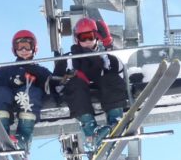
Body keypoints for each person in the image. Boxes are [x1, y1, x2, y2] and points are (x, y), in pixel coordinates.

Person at [54, 16, 127, 152]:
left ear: (97, 37)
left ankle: (115, 123)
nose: (87, 41)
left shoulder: (108, 59)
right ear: (77, 39)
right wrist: (68, 79)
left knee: (110, 78)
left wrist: (108, 45)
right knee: (75, 84)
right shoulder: (68, 61)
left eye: (91, 36)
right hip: (79, 94)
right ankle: (90, 132)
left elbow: (119, 78)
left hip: (105, 92)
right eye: (83, 37)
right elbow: (57, 84)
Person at [0, 29, 54, 152]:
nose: (23, 50)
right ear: (14, 49)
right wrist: (12, 81)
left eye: (27, 46)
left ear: (34, 48)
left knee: (29, 93)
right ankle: (2, 132)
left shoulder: (39, 70)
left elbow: (48, 82)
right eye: (20, 47)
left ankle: (23, 136)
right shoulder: (6, 69)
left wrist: (33, 78)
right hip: (8, 99)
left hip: (28, 99)